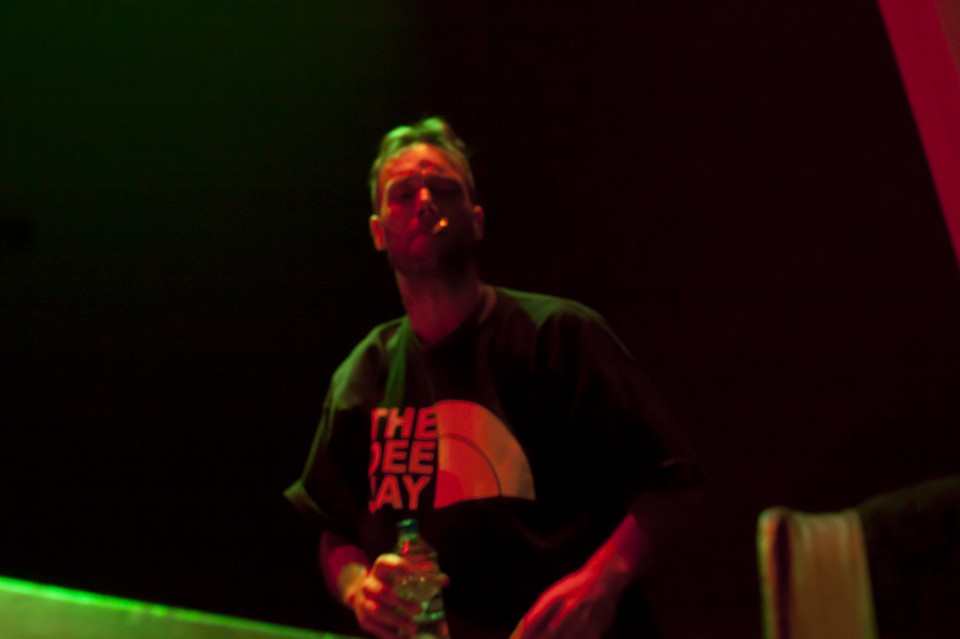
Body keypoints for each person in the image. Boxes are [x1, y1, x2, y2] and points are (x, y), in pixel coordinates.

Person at [285, 116, 704, 639]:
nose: (425, 202)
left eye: (444, 189)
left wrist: (603, 580)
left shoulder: (560, 338)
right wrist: (358, 589)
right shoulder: (363, 375)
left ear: (477, 220)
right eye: (403, 194)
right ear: (378, 232)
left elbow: (673, 484)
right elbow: (332, 528)